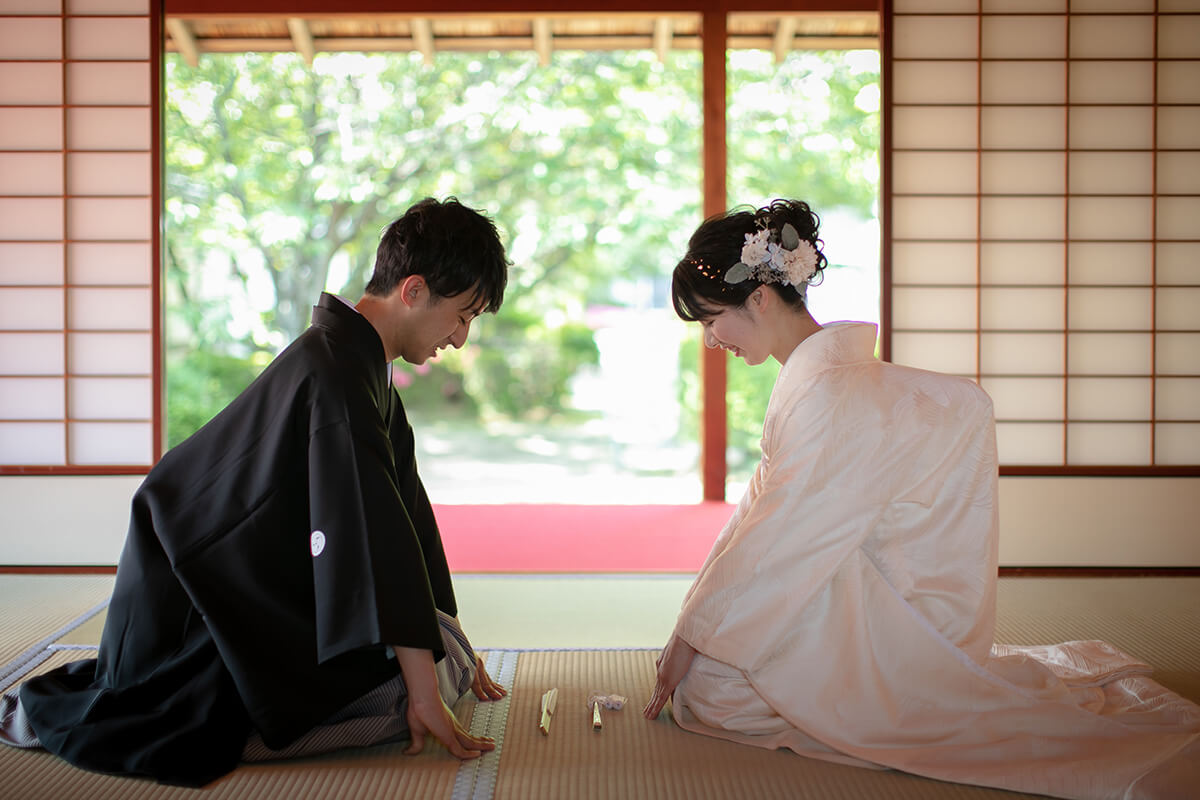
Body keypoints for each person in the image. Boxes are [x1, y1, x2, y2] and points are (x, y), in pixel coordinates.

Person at [643, 199, 1200, 799]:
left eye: (710, 320)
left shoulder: (831, 395)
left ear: (757, 298)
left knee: (713, 698)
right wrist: (693, 628)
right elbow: (763, 518)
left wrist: (700, 634)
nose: (709, 340)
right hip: (844, 575)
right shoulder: (823, 381)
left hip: (897, 607)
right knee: (708, 678)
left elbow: (779, 537)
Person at [0, 197, 510, 786]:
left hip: (247, 585)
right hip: (192, 604)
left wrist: (449, 638)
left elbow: (403, 519)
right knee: (406, 693)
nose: (461, 338)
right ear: (414, 291)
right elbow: (372, 538)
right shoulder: (337, 373)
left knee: (433, 664)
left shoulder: (356, 365)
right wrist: (425, 687)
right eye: (463, 315)